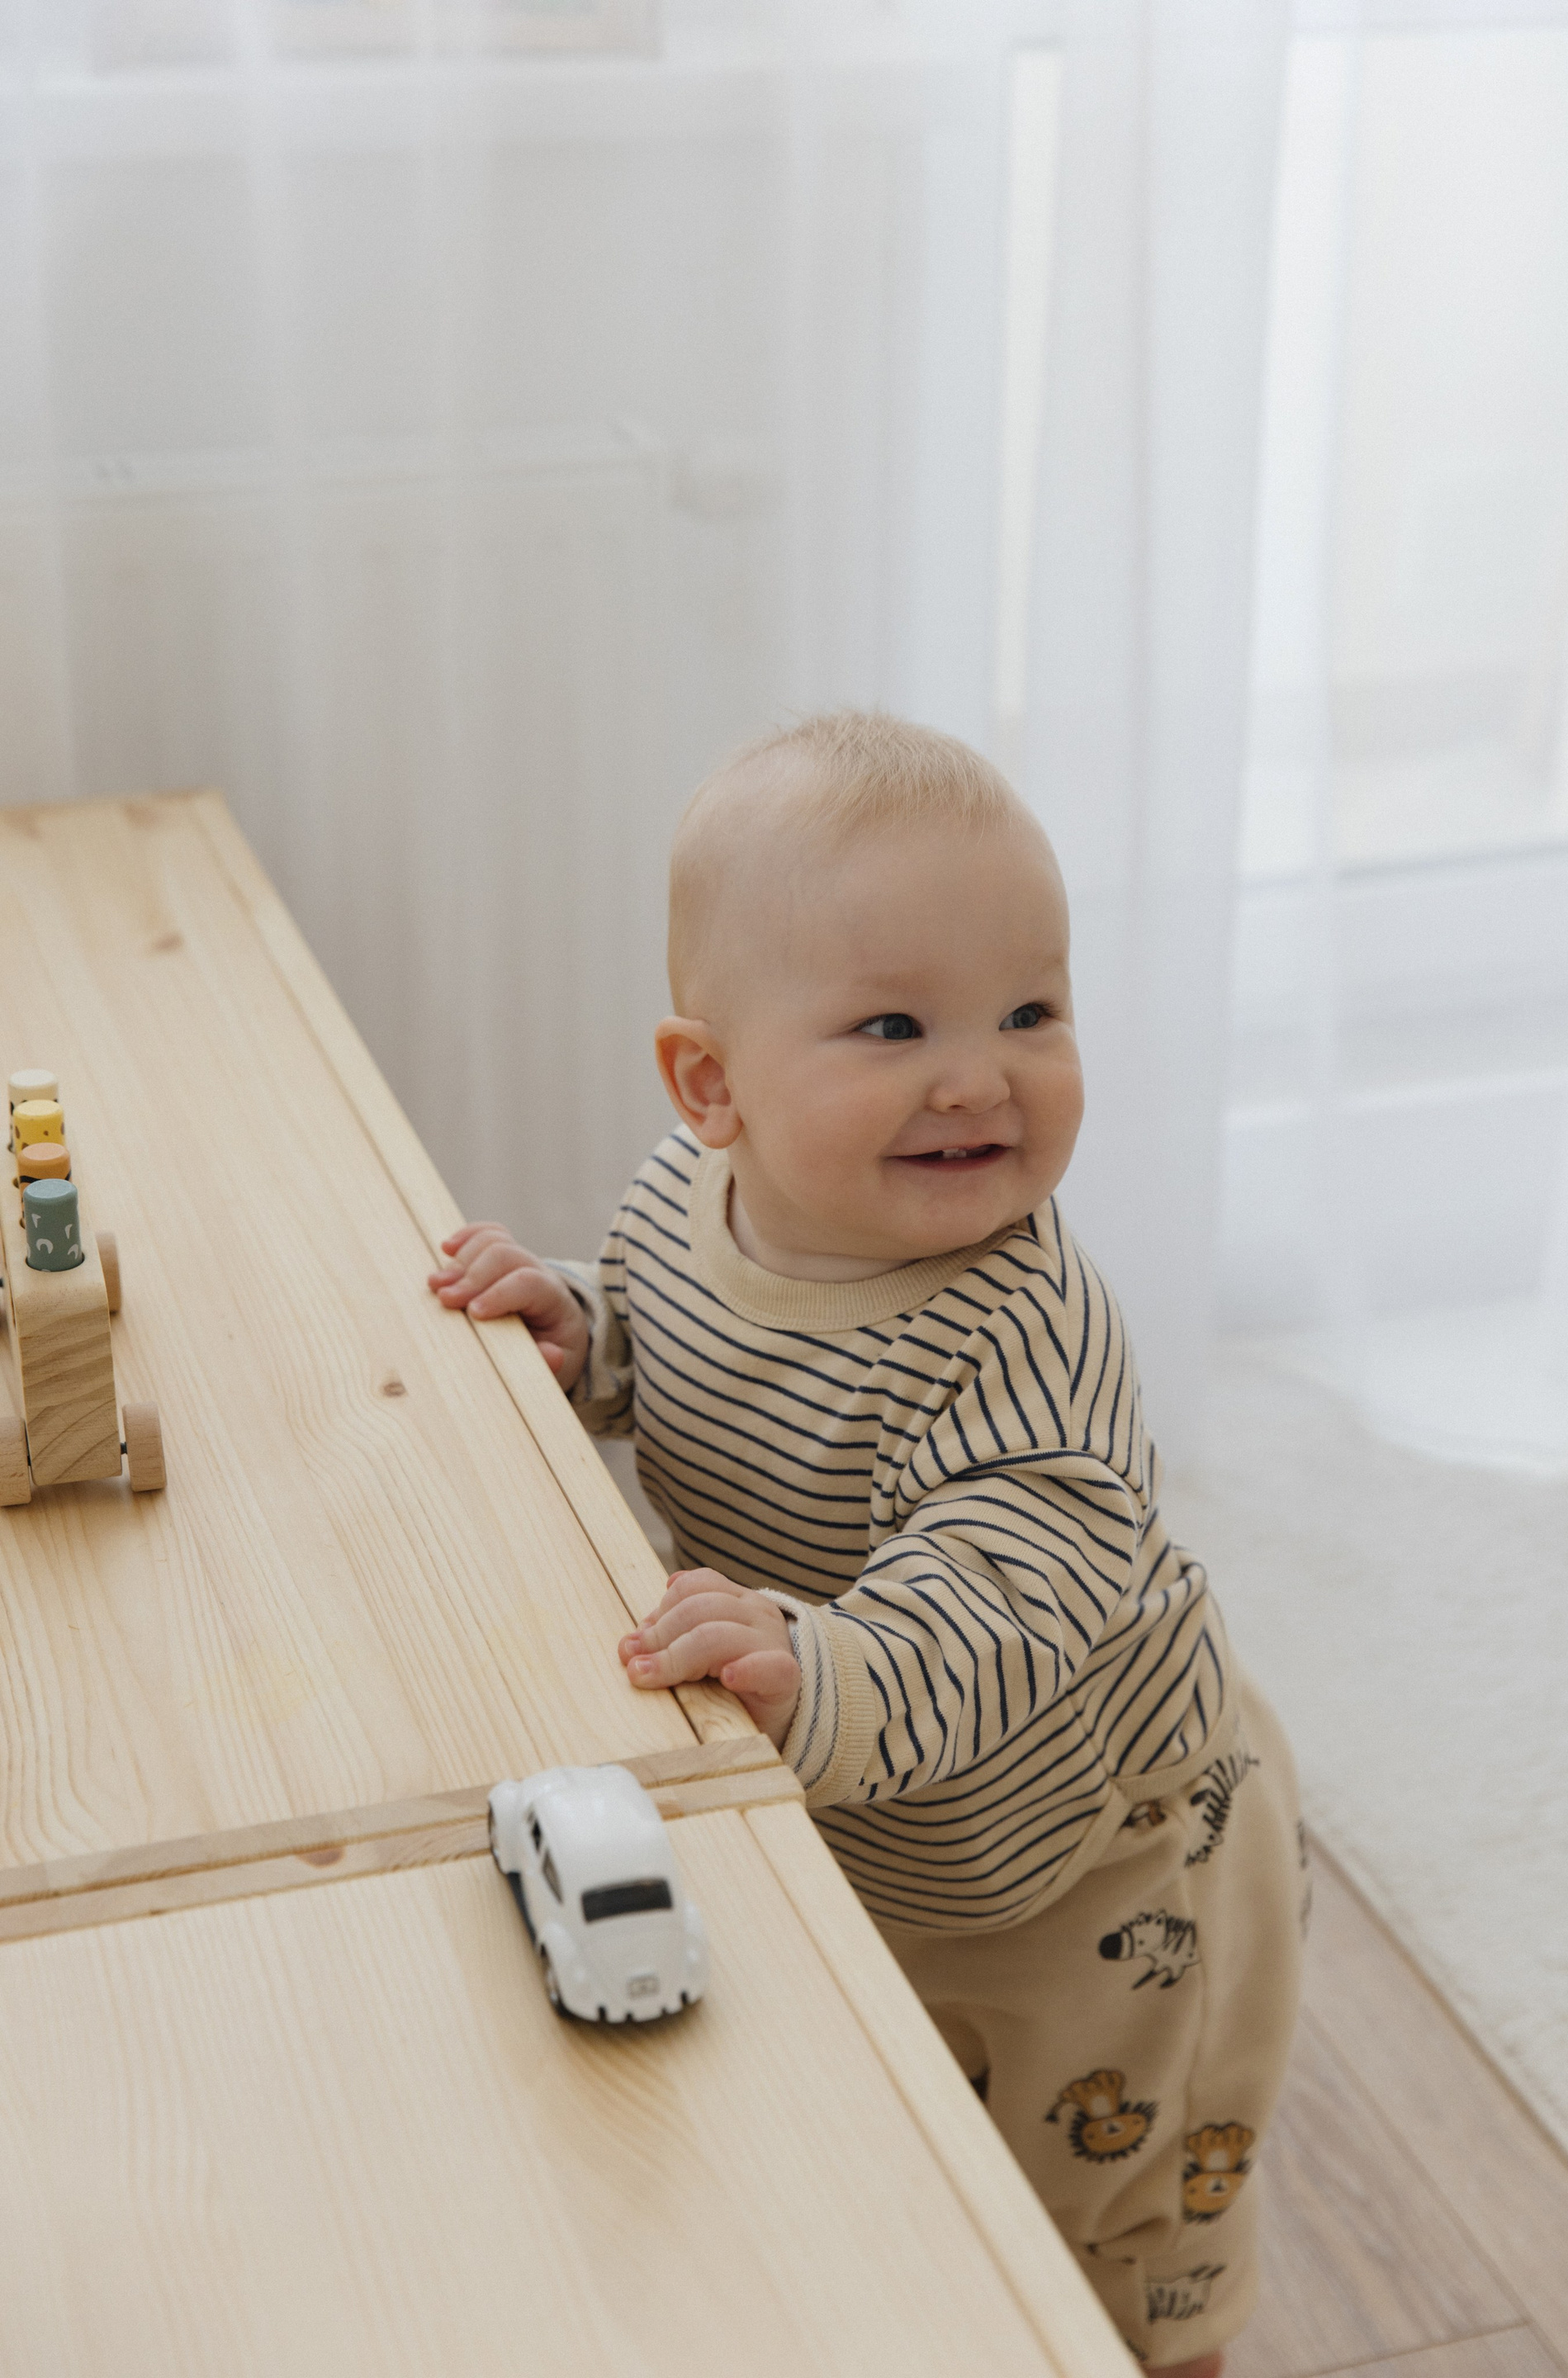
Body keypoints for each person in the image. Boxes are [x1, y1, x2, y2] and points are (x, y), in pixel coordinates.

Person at [429, 712, 1305, 2374]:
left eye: (1030, 1013)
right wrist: (586, 1335)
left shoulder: (1021, 1335)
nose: (978, 1076)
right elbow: (694, 1357)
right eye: (894, 1026)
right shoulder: (681, 1204)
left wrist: (822, 1665)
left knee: (1109, 2209)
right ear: (713, 1089)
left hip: (1091, 1862)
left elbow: (1003, 1597)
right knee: (901, 2130)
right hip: (873, 1811)